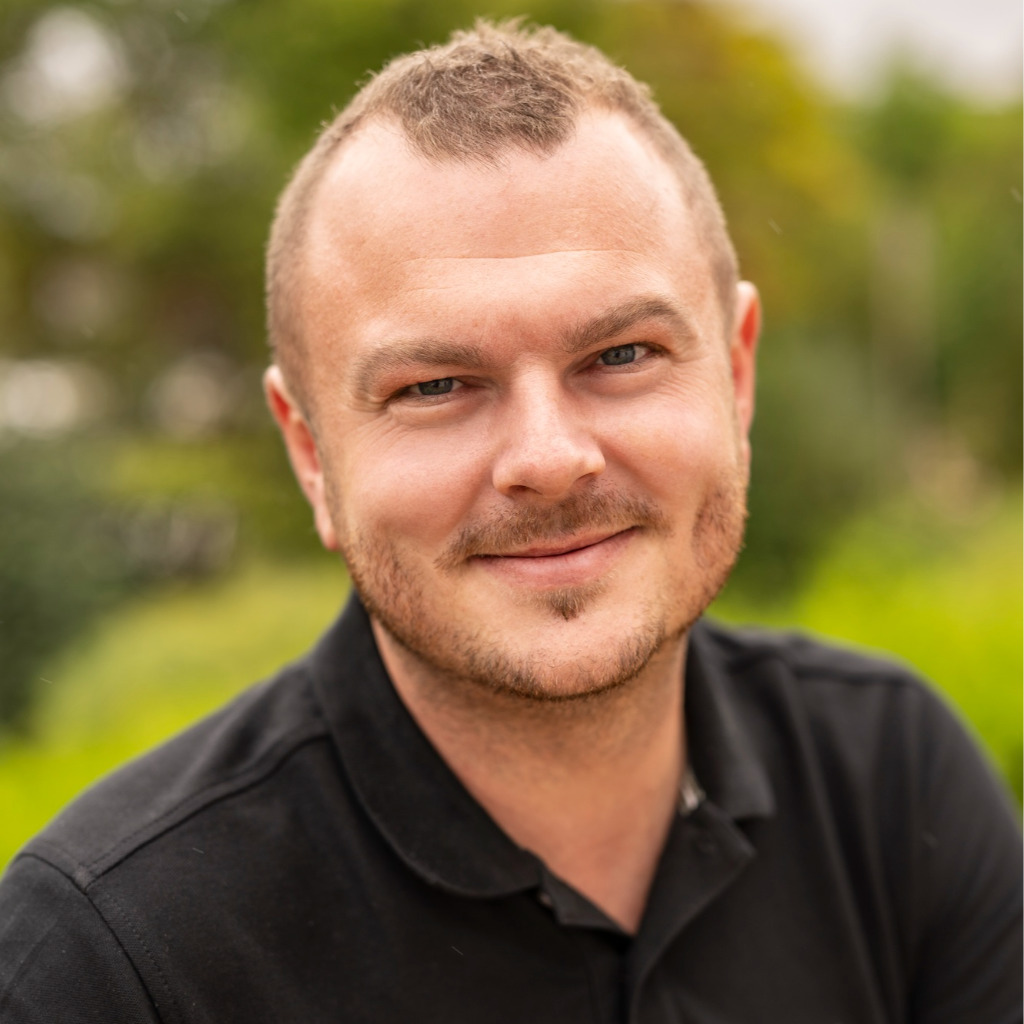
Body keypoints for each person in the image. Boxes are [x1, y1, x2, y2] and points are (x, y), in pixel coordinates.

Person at [0, 20, 1019, 1024]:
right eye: (435, 385)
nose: (548, 458)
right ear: (310, 453)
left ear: (737, 375)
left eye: (621, 355)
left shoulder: (893, 783)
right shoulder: (110, 963)